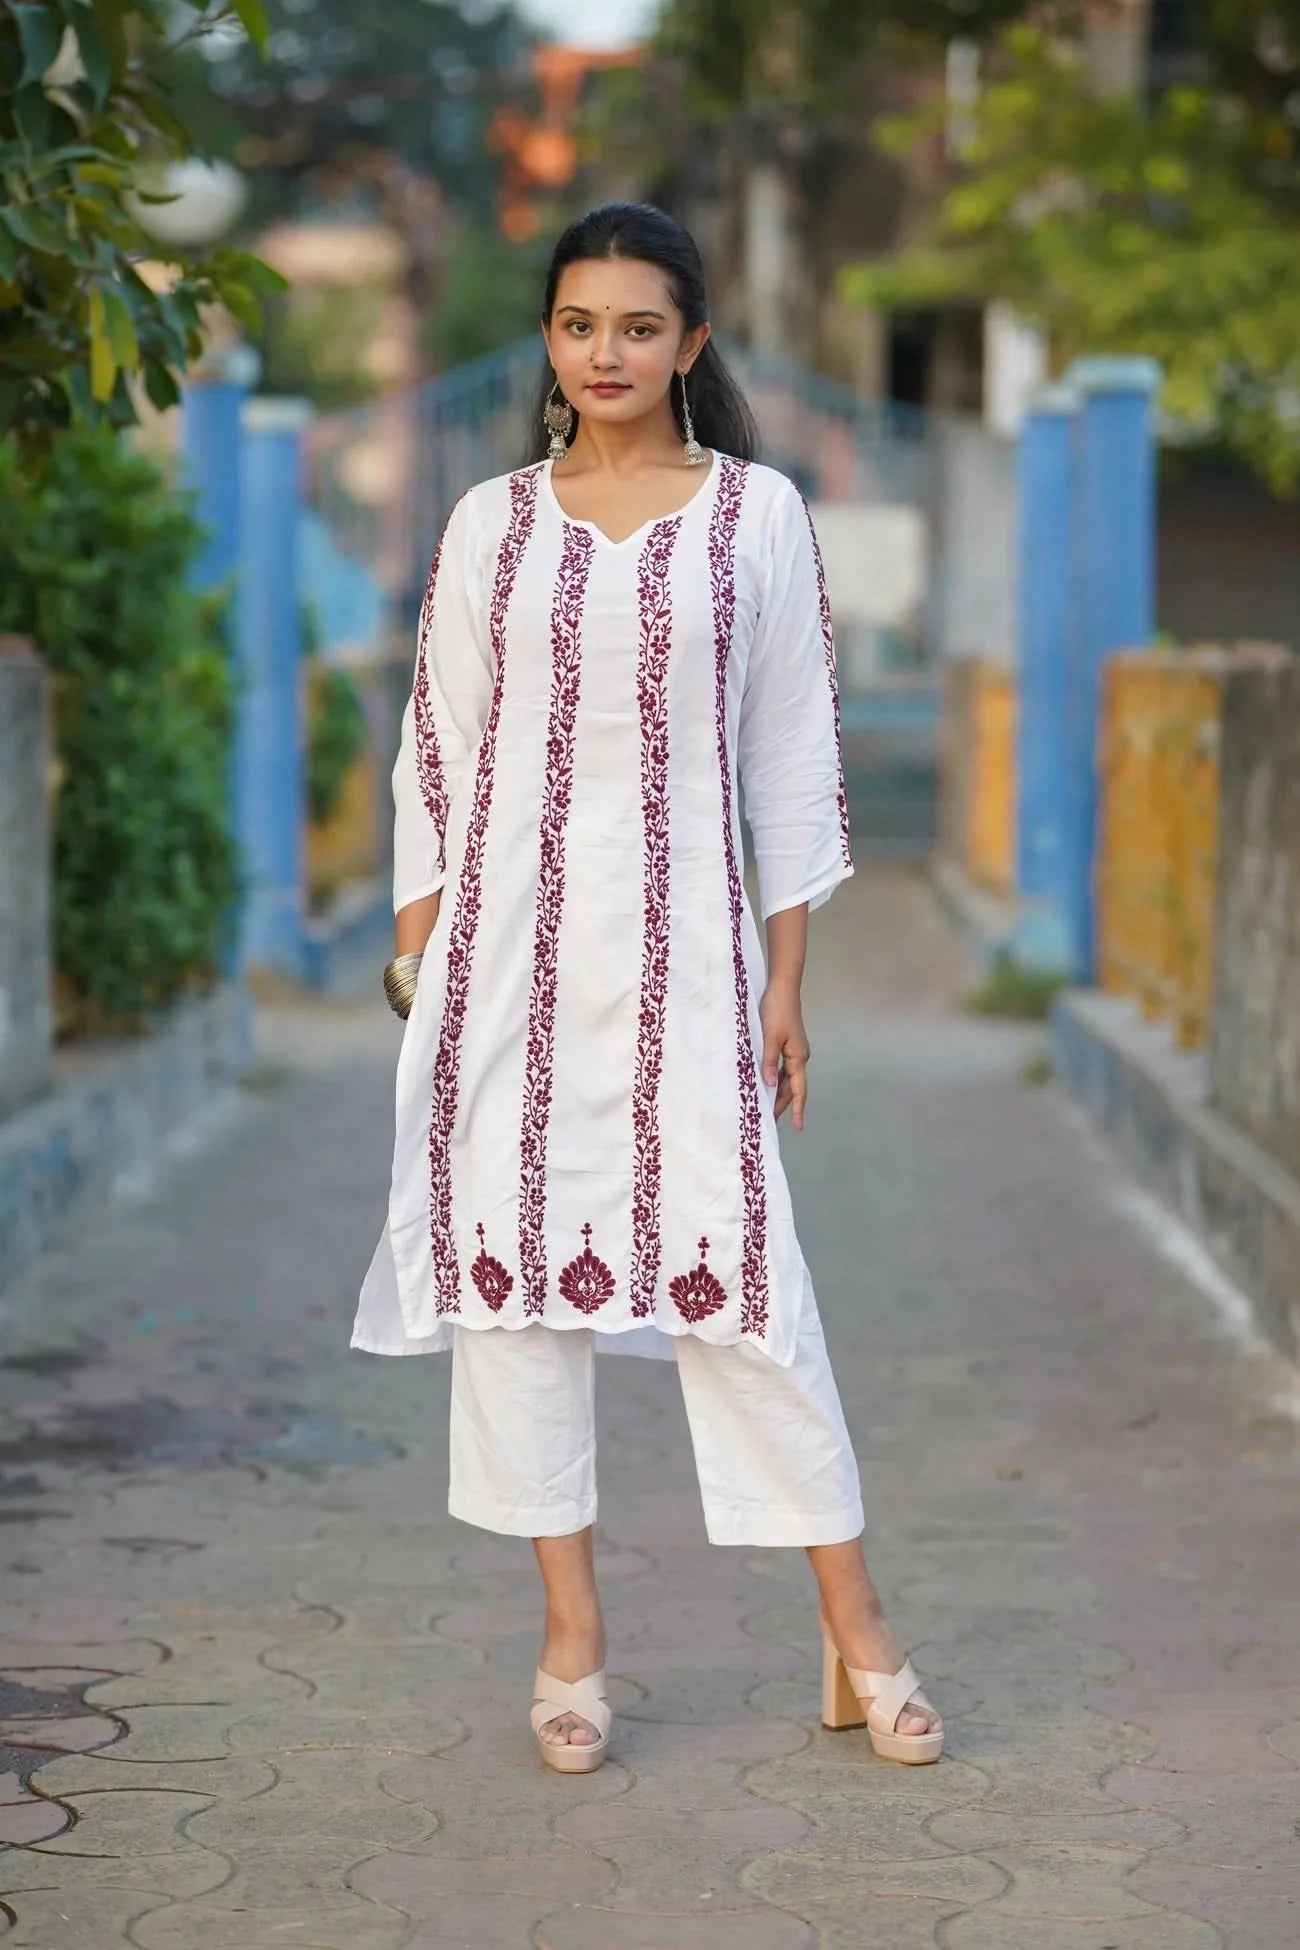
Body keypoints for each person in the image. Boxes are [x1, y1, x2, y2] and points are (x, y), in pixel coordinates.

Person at [353, 202, 943, 1774]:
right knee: (519, 1295)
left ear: (690, 340)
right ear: (549, 342)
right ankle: (571, 1637)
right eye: (575, 324)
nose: (603, 352)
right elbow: (438, 751)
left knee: (747, 1287)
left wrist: (787, 984)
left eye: (635, 325)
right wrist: (423, 963)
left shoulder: (757, 517)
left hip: (692, 968)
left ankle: (858, 1626)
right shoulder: (491, 522)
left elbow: (794, 757)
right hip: (506, 975)